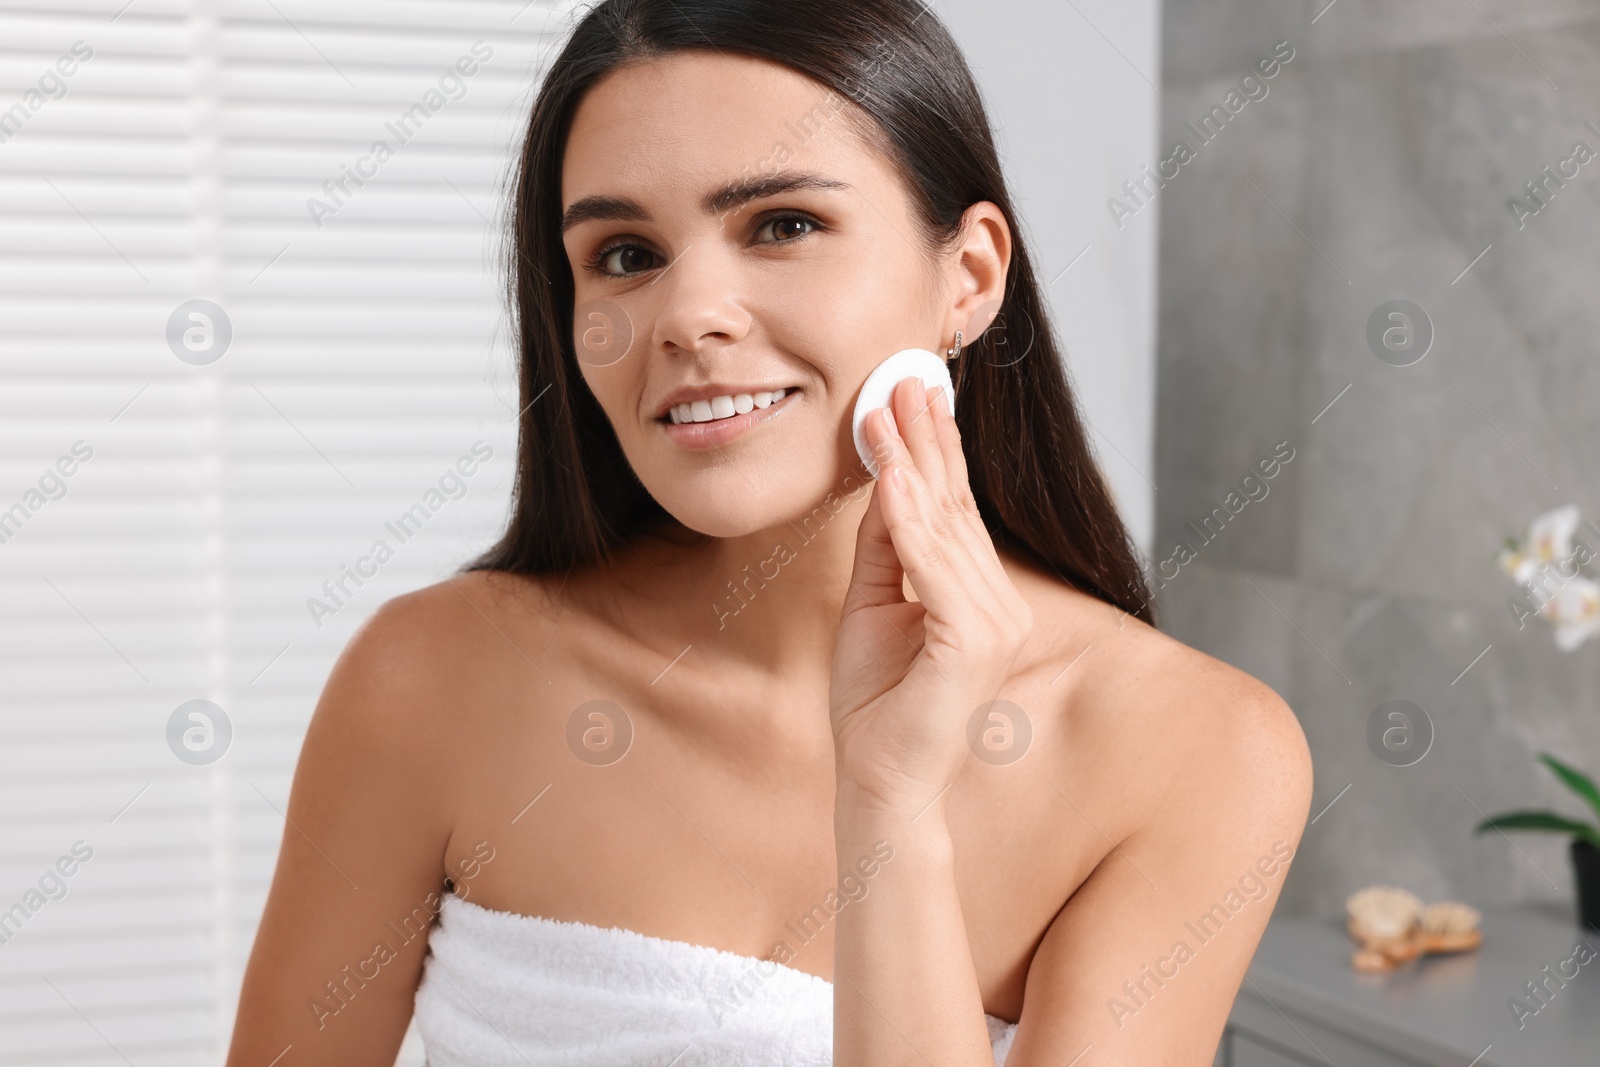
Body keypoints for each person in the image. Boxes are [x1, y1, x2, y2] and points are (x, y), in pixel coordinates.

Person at [226, 1, 1312, 1063]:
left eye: (783, 225)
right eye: (622, 253)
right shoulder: (434, 676)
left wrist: (889, 805)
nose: (688, 313)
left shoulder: (1197, 752)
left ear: (970, 276)